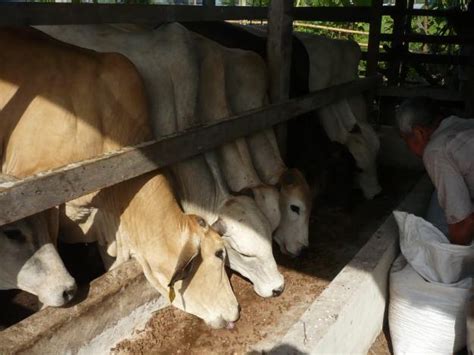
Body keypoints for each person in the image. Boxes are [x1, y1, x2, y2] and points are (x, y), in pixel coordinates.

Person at [396, 97, 474, 245]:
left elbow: (463, 224)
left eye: (406, 141)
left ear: (419, 133)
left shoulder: (436, 150)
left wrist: (447, 262)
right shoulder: (463, 124)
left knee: (439, 217)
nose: (409, 149)